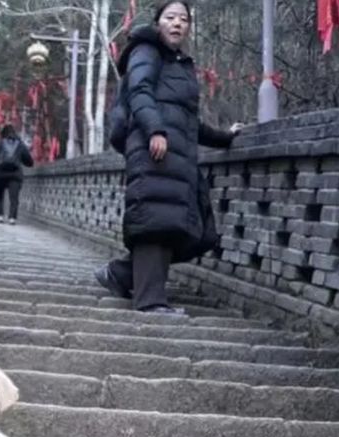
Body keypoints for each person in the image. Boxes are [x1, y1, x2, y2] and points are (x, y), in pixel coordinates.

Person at [97, 0, 243, 314]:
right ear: (158, 22)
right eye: (170, 17)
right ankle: (150, 302)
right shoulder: (146, 51)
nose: (177, 23)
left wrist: (225, 136)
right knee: (157, 221)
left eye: (183, 19)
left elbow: (187, 121)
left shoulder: (178, 62)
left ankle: (120, 274)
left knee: (197, 231)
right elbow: (140, 91)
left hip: (177, 155)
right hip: (153, 150)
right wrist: (155, 130)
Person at [0, 125, 34, 225]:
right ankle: (12, 218)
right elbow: (29, 162)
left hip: (1, 173)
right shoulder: (20, 144)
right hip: (15, 174)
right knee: (14, 197)